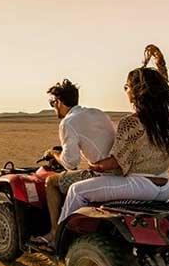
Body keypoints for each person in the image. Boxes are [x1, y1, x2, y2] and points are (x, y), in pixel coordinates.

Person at [58, 45, 169, 224]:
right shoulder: (164, 118)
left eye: (126, 86)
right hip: (164, 187)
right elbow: (161, 89)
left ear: (137, 91)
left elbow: (116, 163)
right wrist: (161, 65)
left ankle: (58, 238)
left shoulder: (130, 122)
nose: (125, 90)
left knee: (76, 190)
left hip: (139, 186)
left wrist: (95, 166)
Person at [32, 79, 116, 246]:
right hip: (119, 169)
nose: (53, 107)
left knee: (51, 181)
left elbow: (70, 163)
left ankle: (55, 234)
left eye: (52, 102)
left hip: (102, 173)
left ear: (59, 101)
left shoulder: (68, 122)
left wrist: (54, 153)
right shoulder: (98, 113)